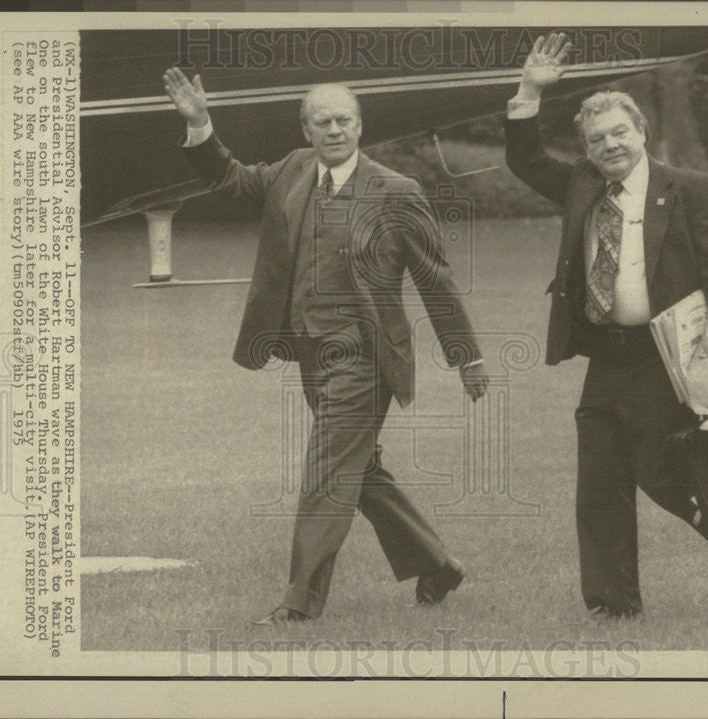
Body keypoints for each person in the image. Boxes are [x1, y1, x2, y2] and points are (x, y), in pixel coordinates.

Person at [163, 68, 490, 625]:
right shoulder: (291, 171)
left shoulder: (396, 191)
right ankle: (437, 565)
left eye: (343, 120)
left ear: (360, 128)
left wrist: (469, 357)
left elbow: (435, 280)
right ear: (307, 130)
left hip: (366, 356)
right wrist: (200, 125)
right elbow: (233, 180)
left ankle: (299, 603)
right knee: (358, 472)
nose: (334, 130)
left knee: (326, 473)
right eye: (322, 122)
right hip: (312, 355)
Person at [503, 34, 708, 617]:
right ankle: (613, 604)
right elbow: (525, 159)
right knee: (600, 480)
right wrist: (530, 89)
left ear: (641, 134)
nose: (609, 145)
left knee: (664, 476)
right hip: (608, 356)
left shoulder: (690, 190)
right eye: (596, 139)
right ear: (586, 148)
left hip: (672, 356)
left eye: (619, 133)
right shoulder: (582, 184)